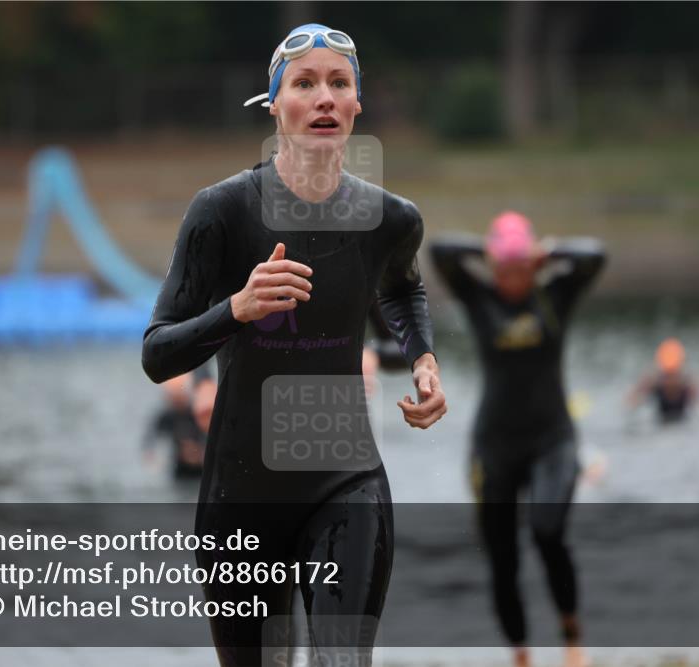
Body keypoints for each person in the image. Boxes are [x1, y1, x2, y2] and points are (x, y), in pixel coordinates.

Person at [142, 23, 447, 667]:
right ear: (275, 104)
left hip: (347, 483)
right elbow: (158, 352)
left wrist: (422, 357)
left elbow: (401, 290)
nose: (324, 98)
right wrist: (237, 308)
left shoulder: (392, 220)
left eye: (339, 84)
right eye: (304, 84)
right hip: (240, 496)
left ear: (357, 105)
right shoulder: (221, 212)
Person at [430, 211, 605, 667]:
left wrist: (546, 253)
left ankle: (570, 634)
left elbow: (596, 255)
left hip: (553, 440)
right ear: (492, 268)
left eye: (519, 269)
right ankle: (521, 655)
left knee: (548, 531)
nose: (510, 280)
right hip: (495, 447)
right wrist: (488, 252)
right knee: (502, 558)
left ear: (533, 266)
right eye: (502, 270)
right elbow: (440, 250)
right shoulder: (479, 295)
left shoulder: (556, 295)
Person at [142, 368, 215, 480]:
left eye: (179, 395)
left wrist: (199, 454)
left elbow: (211, 435)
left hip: (201, 466)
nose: (176, 399)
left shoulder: (197, 413)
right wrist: (151, 455)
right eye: (173, 396)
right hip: (179, 467)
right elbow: (151, 436)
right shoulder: (167, 416)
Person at [626, 338, 699, 423]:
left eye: (673, 376)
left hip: (682, 422)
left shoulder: (687, 383)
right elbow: (631, 401)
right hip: (661, 422)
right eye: (668, 376)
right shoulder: (654, 381)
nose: (671, 381)